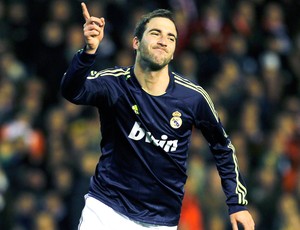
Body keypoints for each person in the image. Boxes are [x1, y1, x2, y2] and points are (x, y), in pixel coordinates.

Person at [61, 2, 255, 230]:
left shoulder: (193, 98)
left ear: (173, 52)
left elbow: (222, 148)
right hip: (106, 209)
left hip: (160, 222)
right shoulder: (114, 84)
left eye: (171, 38)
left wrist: (237, 203)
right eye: (155, 33)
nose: (163, 40)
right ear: (136, 42)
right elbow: (72, 90)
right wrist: (89, 52)